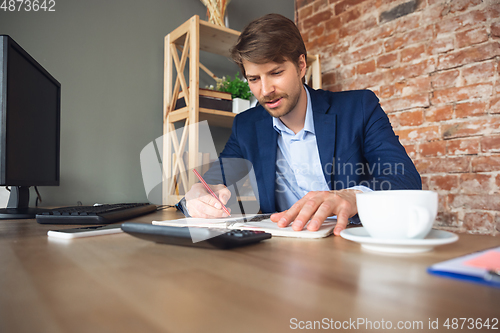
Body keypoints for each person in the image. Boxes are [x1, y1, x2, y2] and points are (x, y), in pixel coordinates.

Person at [179, 13, 421, 236]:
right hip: (281, 250)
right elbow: (210, 182)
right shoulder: (247, 126)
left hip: (351, 243)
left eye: (275, 73)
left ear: (301, 65)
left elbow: (406, 179)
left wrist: (351, 196)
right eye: (254, 79)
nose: (265, 91)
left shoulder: (358, 108)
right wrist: (195, 197)